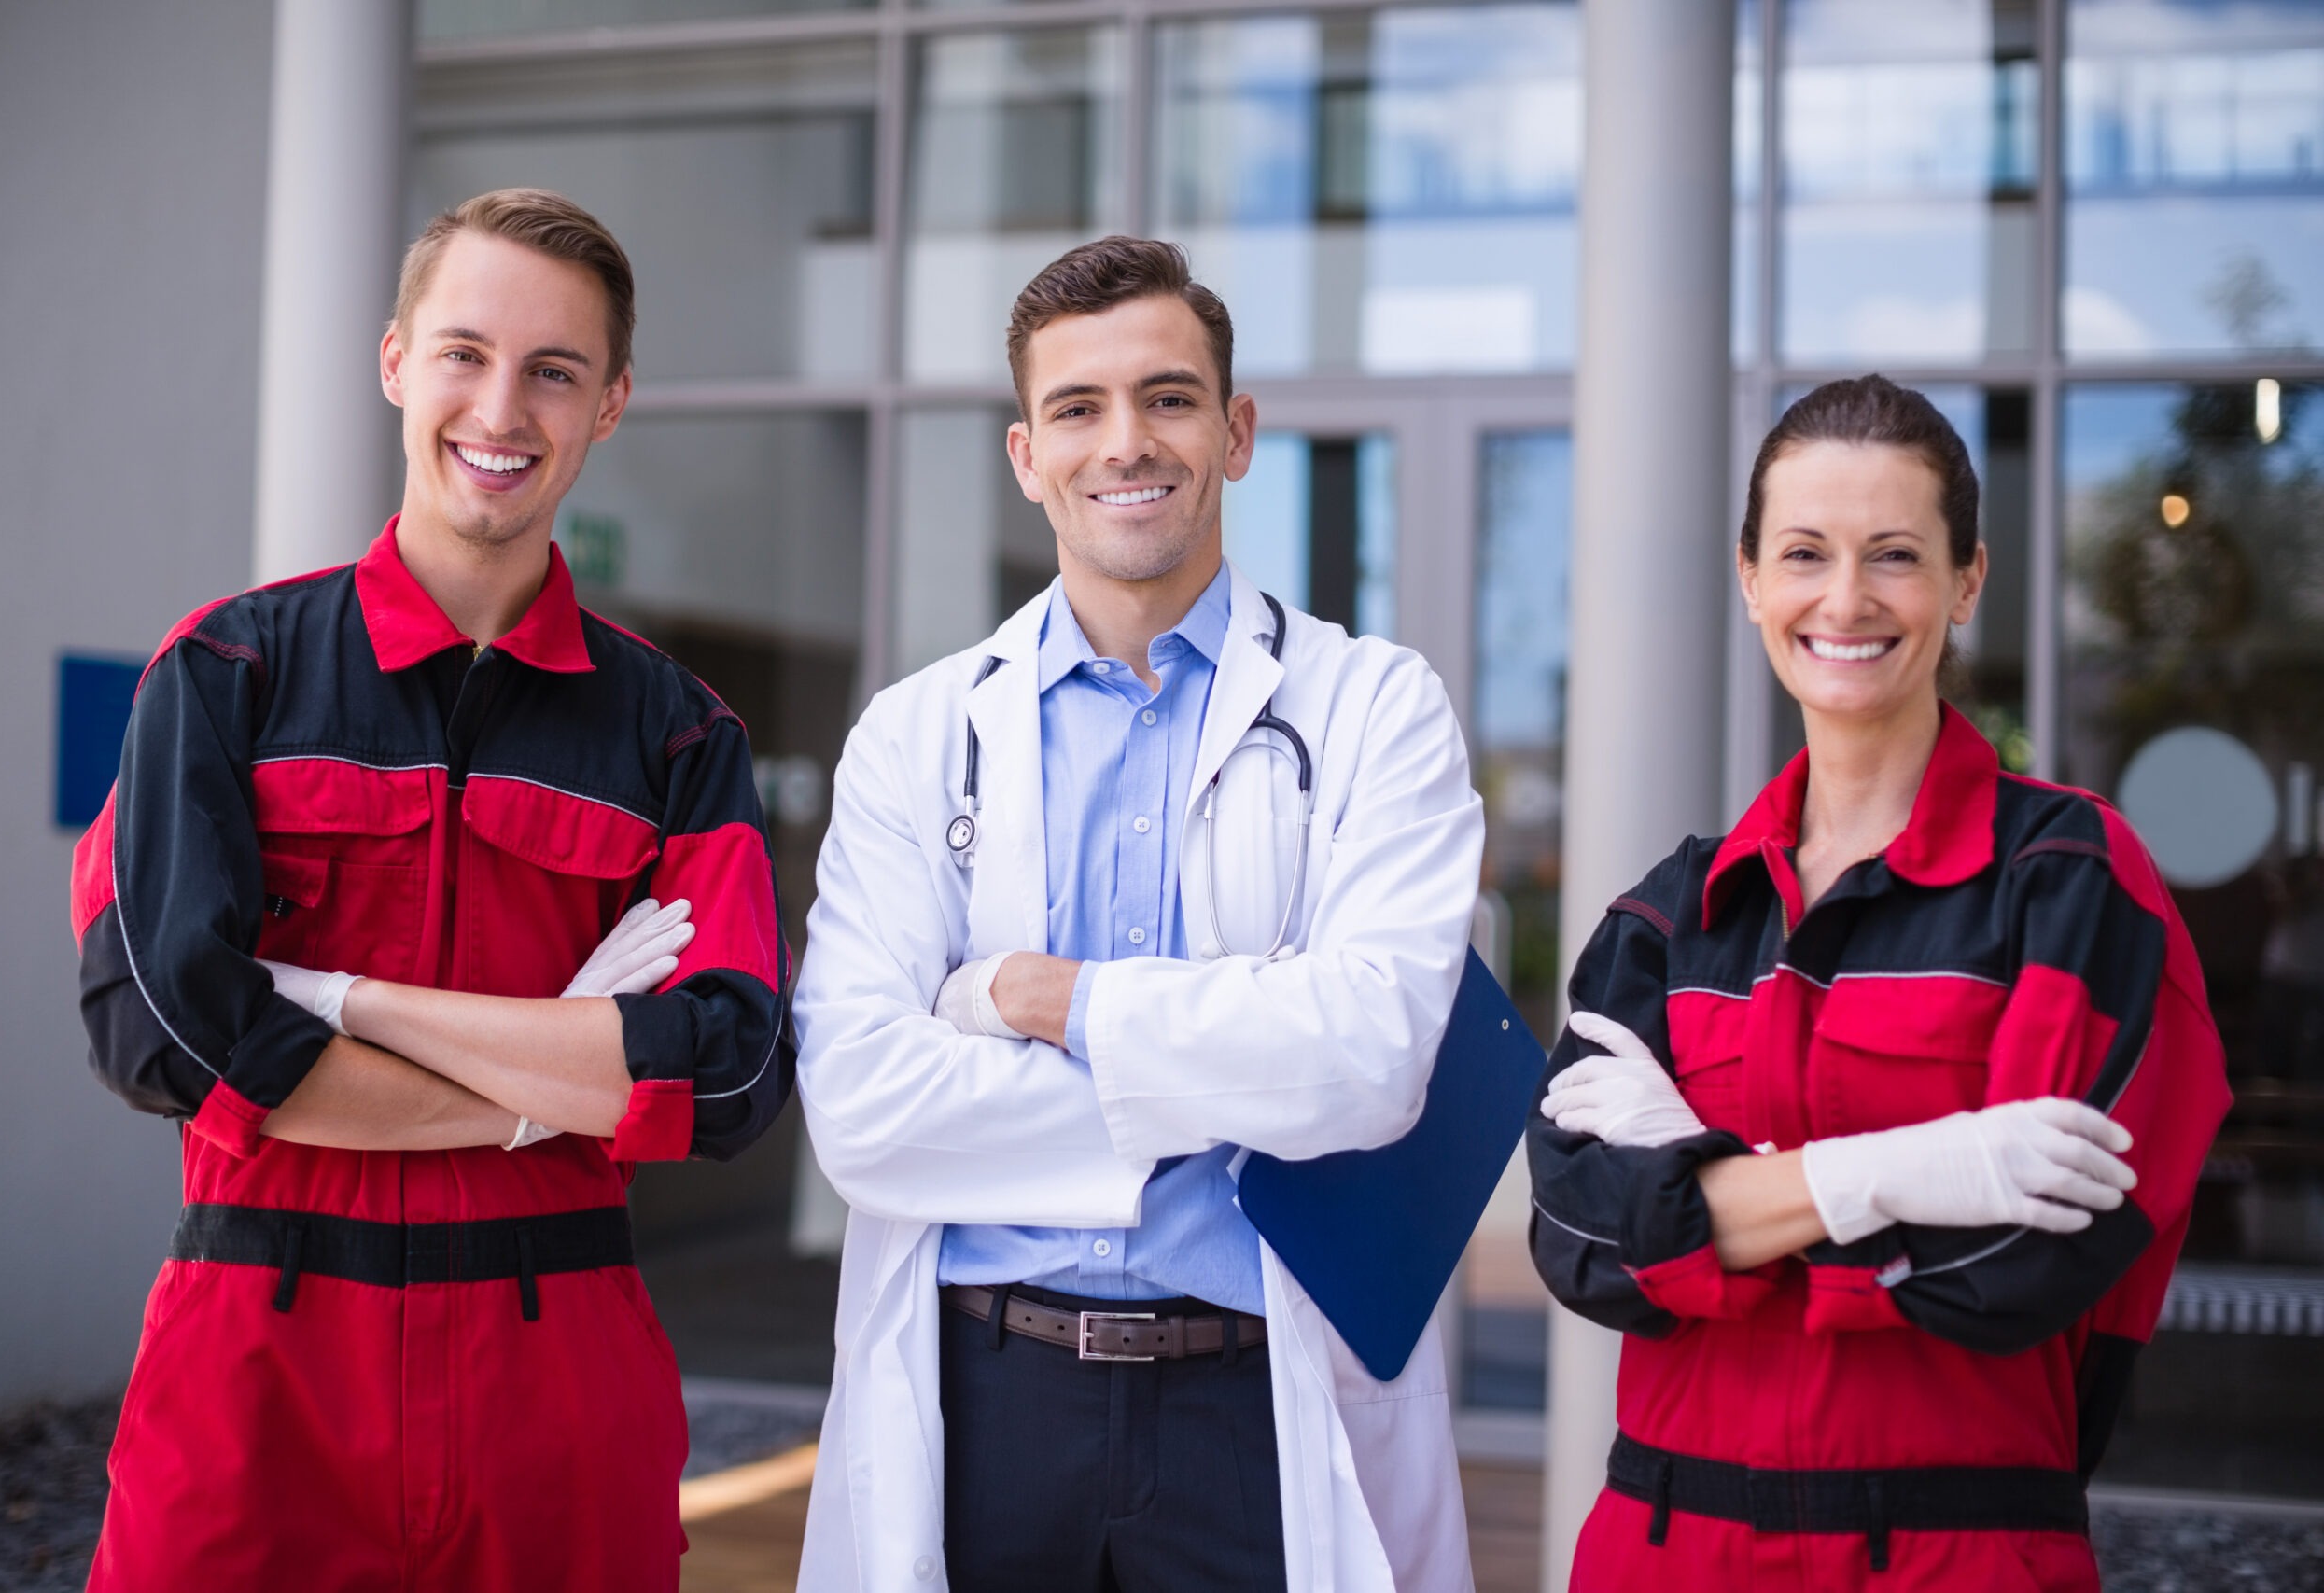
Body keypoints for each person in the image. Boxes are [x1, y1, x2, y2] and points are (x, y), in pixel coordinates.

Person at [68, 189, 793, 1591]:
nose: (501, 407)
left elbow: (726, 1079)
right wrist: (557, 1080)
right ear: (397, 362)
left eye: (554, 371)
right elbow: (159, 1032)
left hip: (559, 1395)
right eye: (464, 353)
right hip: (257, 1374)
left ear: (610, 405)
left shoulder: (677, 737)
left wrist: (338, 1002)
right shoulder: (226, 679)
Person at [791, 237, 1485, 1592]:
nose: (1127, 442)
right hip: (985, 1399)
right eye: (1078, 408)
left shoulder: (1374, 706)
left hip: (1254, 1398)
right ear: (1025, 455)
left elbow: (1374, 1056)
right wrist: (1229, 1089)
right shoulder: (918, 735)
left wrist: (1045, 1002)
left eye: (1169, 398)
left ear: (1234, 433)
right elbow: (864, 1107)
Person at [1527, 375, 2232, 1590]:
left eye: (1895, 554)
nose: (1845, 599)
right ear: (1750, 578)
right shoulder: (1669, 919)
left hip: (1955, 1553)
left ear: (1966, 583)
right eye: (1805, 552)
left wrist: (1703, 1191)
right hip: (1660, 1551)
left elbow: (2015, 1258)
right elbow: (1587, 1239)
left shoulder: (2069, 884)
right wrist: (1900, 1170)